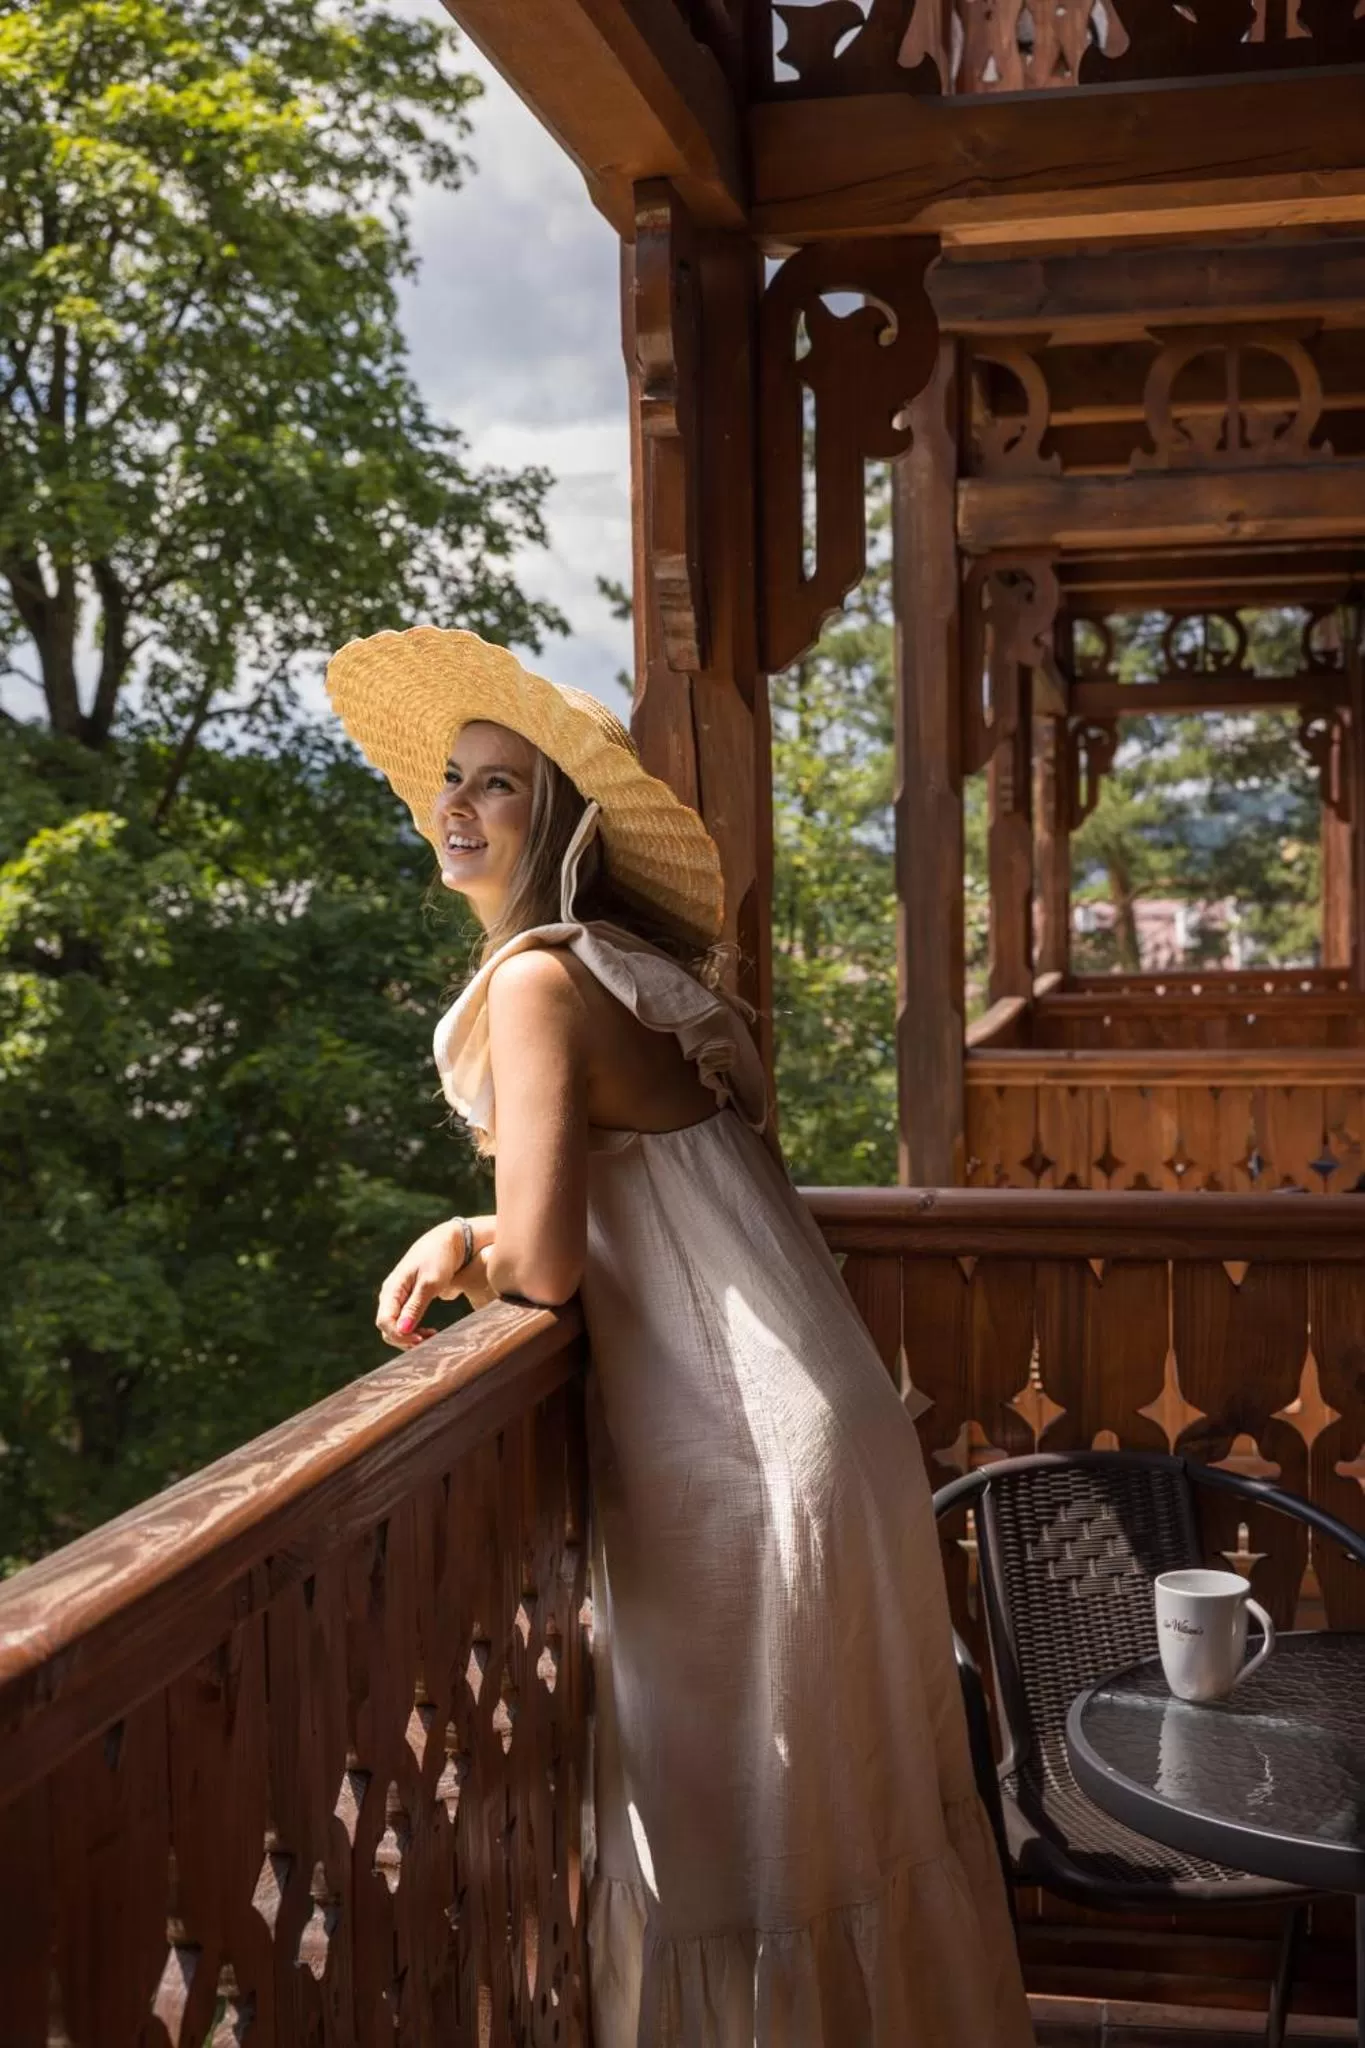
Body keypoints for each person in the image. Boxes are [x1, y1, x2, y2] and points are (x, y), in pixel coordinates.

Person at [327, 625, 1035, 2047]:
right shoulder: (624, 975)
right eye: (451, 781)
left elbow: (538, 1266)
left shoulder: (539, 982)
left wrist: (462, 1237)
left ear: (564, 823)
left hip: (742, 1461)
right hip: (815, 1428)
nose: (457, 805)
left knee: (747, 1854)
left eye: (501, 785)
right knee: (852, 1824)